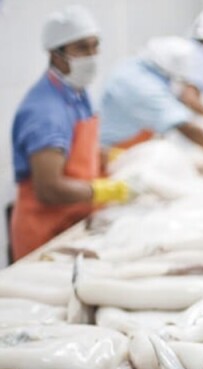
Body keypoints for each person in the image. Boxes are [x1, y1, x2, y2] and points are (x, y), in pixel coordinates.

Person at [10, 5, 130, 260]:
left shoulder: (76, 93)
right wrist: (104, 191)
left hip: (73, 221)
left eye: (95, 46)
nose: (92, 56)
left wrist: (113, 157)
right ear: (56, 54)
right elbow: (48, 188)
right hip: (46, 234)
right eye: (81, 48)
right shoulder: (45, 110)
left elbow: (74, 151)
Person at [99, 36, 203, 170]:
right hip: (112, 155)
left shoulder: (136, 68)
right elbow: (185, 127)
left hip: (123, 145)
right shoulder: (143, 85)